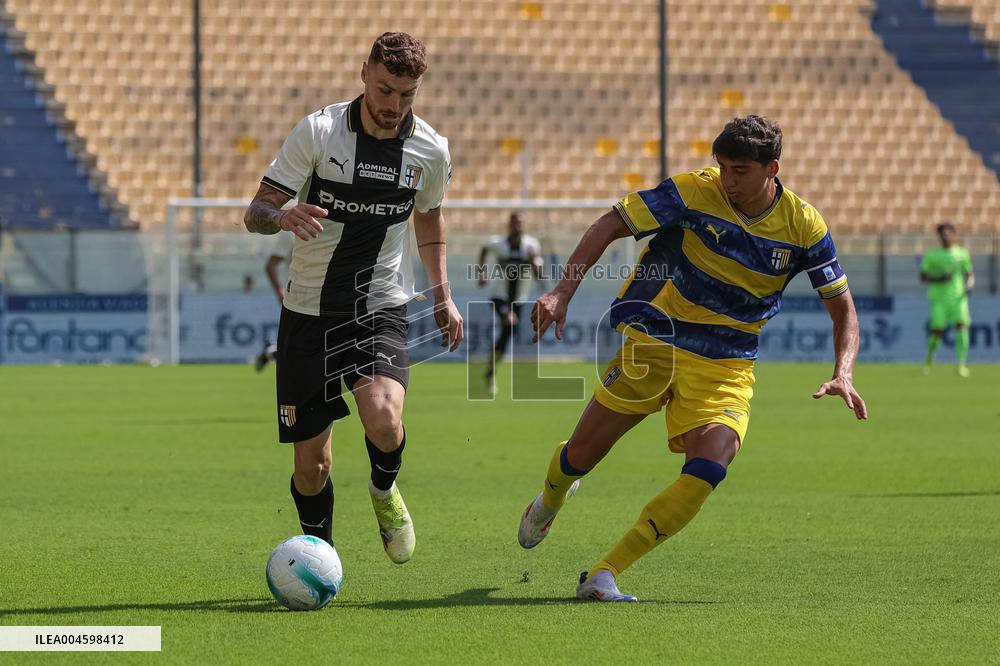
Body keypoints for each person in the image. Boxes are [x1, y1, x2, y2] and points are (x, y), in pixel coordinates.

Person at [518, 116, 868, 602]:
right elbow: (609, 224)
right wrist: (562, 291)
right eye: (722, 167)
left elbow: (843, 309)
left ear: (774, 169)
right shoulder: (691, 192)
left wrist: (843, 372)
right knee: (581, 455)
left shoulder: (804, 226)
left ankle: (604, 573)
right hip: (655, 343)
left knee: (711, 465)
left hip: (727, 362)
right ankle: (552, 496)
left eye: (740, 170)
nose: (728, 180)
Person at [243, 32, 462, 565]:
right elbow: (256, 213)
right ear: (364, 73)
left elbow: (429, 217)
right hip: (308, 312)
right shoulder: (318, 132)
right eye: (385, 89)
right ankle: (322, 556)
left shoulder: (429, 150)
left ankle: (384, 492)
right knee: (311, 469)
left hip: (379, 304)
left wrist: (442, 295)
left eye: (406, 95)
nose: (393, 105)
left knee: (385, 420)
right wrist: (282, 215)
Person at [477, 212, 545, 393]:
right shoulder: (498, 243)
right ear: (509, 224)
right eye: (515, 223)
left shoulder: (531, 245)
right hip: (499, 295)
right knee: (510, 321)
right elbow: (484, 248)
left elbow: (540, 276)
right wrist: (481, 272)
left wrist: (532, 261)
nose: (518, 226)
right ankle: (490, 370)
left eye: (521, 223)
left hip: (520, 299)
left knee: (507, 336)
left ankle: (490, 372)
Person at [920, 223, 974, 377]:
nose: (945, 236)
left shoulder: (962, 254)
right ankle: (929, 358)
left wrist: (969, 285)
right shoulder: (932, 255)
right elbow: (923, 276)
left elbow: (969, 273)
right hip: (939, 299)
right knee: (937, 332)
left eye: (948, 233)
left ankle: (961, 364)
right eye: (942, 233)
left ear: (954, 234)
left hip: (958, 298)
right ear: (939, 236)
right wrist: (939, 278)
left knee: (962, 327)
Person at [255, 231, 294, 372]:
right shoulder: (291, 231)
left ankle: (271, 351)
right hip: (297, 300)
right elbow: (270, 265)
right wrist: (279, 291)